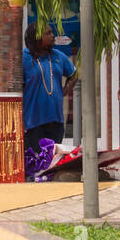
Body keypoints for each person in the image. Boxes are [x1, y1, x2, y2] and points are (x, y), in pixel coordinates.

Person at [21, 22, 76, 152]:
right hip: (33, 123)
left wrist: (64, 91)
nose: (53, 36)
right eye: (48, 33)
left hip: (55, 121)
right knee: (36, 164)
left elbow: (74, 75)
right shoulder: (24, 58)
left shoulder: (58, 56)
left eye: (52, 32)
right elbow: (17, 90)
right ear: (37, 37)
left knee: (52, 162)